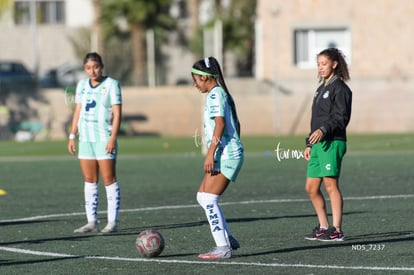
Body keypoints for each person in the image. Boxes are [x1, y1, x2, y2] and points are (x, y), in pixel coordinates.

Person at [191, 56, 244, 259]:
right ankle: (227, 237)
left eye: (195, 79)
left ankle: (223, 248)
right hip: (227, 153)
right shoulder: (220, 93)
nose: (195, 84)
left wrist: (210, 154)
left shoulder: (215, 95)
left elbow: (220, 124)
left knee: (209, 199)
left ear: (205, 78)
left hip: (226, 155)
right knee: (202, 197)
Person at [68, 52, 122, 234]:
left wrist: (113, 138)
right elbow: (78, 111)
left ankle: (112, 222)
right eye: (88, 68)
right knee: (90, 180)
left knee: (109, 180)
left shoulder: (112, 85)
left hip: (104, 138)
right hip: (86, 139)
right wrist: (72, 135)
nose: (92, 71)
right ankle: (91, 222)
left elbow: (117, 113)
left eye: (96, 67)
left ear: (102, 66)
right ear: (85, 69)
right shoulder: (82, 85)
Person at [304, 48, 352, 241]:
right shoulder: (320, 88)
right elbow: (316, 120)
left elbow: (341, 118)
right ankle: (324, 226)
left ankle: (337, 229)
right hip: (318, 145)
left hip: (333, 142)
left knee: (331, 185)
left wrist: (324, 130)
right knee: (311, 187)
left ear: (334, 64)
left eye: (324, 64)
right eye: (318, 64)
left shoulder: (340, 89)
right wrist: (309, 143)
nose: (320, 67)